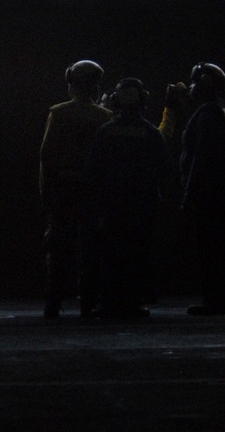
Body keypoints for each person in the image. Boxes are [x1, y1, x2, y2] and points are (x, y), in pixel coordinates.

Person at [87, 78, 171, 319]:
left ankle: (109, 302)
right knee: (137, 254)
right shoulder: (151, 133)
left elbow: (93, 170)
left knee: (111, 255)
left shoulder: (106, 132)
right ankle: (133, 302)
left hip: (112, 206)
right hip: (142, 206)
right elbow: (164, 168)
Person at [39, 60, 113, 319]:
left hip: (64, 190)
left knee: (59, 249)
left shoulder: (58, 113)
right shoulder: (105, 116)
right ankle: (88, 302)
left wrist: (45, 192)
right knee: (91, 249)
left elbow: (47, 155)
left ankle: (53, 302)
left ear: (71, 84)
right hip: (93, 192)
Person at [180, 63, 225, 316]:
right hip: (222, 192)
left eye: (195, 83)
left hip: (209, 194)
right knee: (218, 248)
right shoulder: (221, 109)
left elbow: (200, 158)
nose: (191, 87)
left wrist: (189, 195)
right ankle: (221, 298)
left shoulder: (208, 114)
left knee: (209, 249)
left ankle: (214, 301)